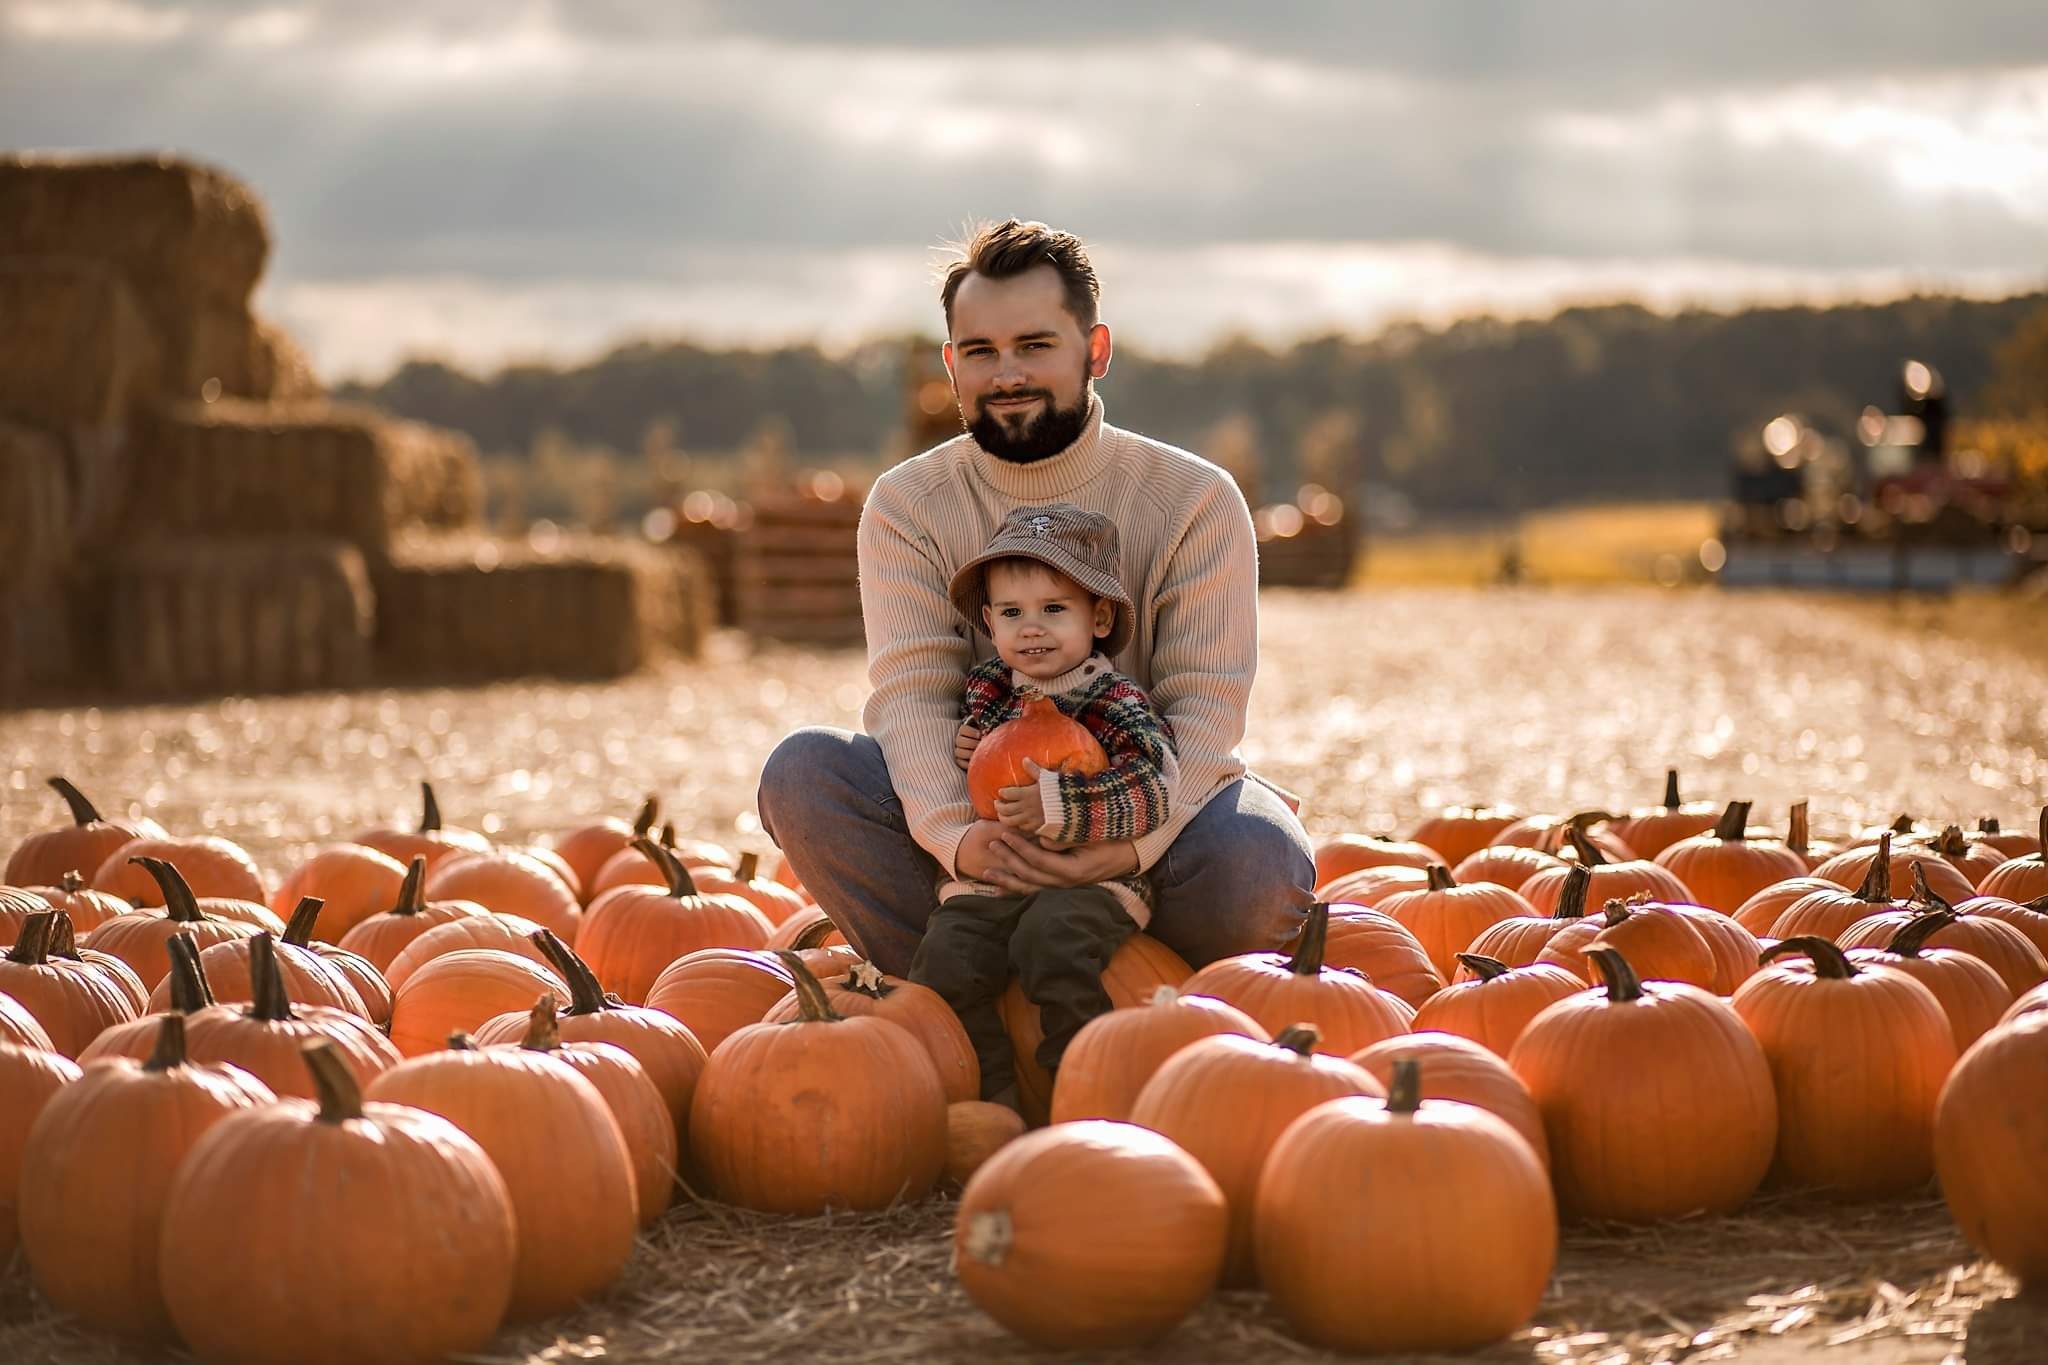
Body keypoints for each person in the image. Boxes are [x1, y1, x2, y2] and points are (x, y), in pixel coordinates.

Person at [757, 217, 1314, 982]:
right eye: (981, 352)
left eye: (1035, 345)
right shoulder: (907, 506)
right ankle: (960, 1005)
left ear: (1096, 350)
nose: (1006, 373)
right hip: (982, 854)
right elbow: (914, 698)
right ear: (950, 366)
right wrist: (960, 840)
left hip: (1145, 819)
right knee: (803, 774)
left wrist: (1120, 852)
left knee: (1261, 854)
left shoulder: (1195, 500)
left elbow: (1204, 715)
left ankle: (1151, 1003)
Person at [908, 503, 1177, 1109]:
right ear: (989, 622)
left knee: (1050, 943)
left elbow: (1153, 786)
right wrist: (970, 748)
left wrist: (1063, 802)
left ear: (1099, 617)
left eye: (1054, 609)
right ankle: (990, 1094)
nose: (1031, 628)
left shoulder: (1113, 699)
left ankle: (1077, 1085)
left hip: (1088, 883)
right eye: (1012, 613)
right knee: (947, 956)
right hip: (1000, 880)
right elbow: (986, 782)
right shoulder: (993, 694)